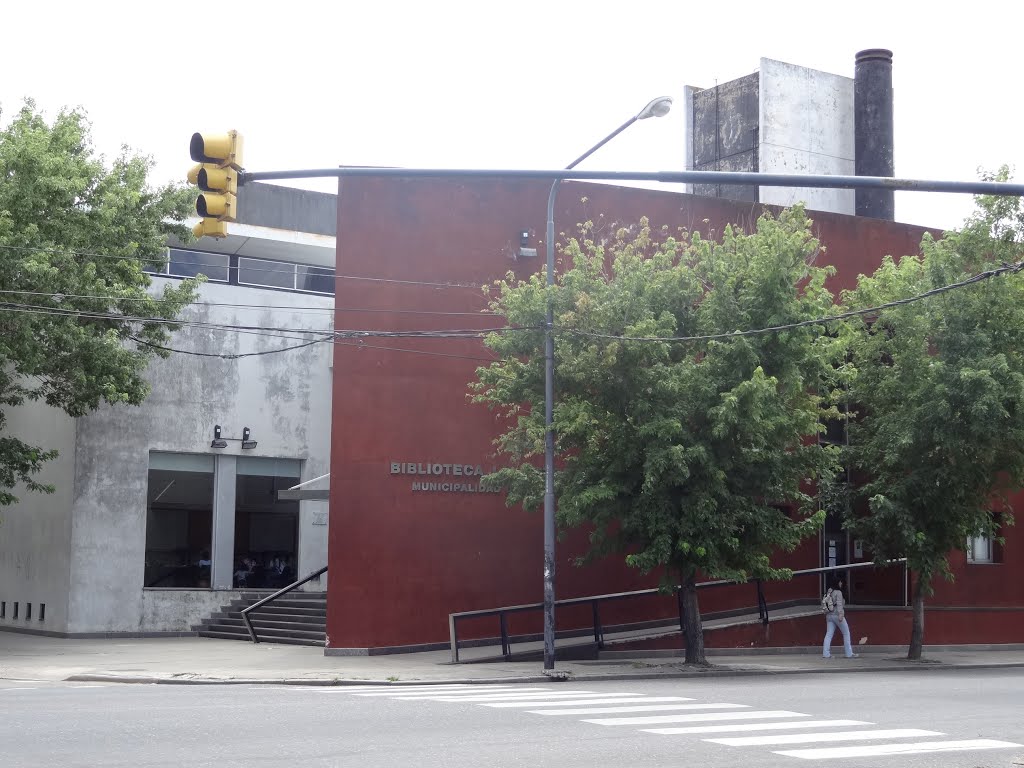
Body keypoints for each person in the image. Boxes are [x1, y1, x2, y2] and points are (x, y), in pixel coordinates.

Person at [823, 576, 857, 658]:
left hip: (829, 615)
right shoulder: (838, 592)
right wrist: (841, 615)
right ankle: (849, 654)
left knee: (829, 634)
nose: (841, 583)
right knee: (846, 633)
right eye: (840, 582)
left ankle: (826, 654)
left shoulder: (829, 591)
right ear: (837, 583)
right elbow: (839, 605)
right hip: (837, 615)